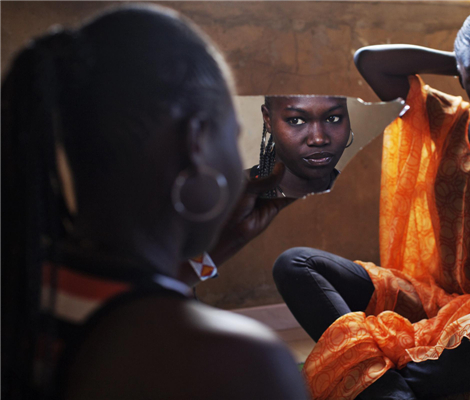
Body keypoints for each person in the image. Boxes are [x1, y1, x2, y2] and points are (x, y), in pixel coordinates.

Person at [273, 8, 470, 400]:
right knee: (295, 265)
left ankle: (378, 384)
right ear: (461, 79)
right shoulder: (445, 118)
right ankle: (389, 384)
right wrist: (462, 59)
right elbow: (370, 62)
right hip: (431, 299)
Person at [1, 4, 308, 399]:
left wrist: (220, 247)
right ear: (196, 141)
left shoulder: (29, 286)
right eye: (234, 135)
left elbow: (123, 301)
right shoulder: (238, 364)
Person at [252, 96, 352, 198]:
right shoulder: (238, 199)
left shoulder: (364, 195)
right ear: (268, 120)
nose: (318, 139)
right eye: (296, 121)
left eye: (332, 118)